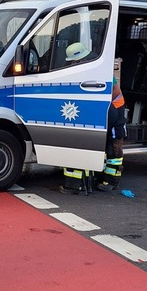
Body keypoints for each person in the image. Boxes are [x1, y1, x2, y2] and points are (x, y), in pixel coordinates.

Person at [58, 42, 126, 194]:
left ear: (81, 59)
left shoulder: (99, 69)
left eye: (75, 61)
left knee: (114, 147)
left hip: (114, 108)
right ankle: (99, 178)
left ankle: (112, 181)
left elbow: (114, 91)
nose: (73, 64)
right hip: (103, 109)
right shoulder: (84, 70)